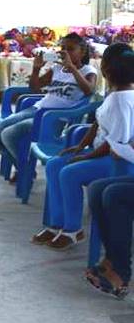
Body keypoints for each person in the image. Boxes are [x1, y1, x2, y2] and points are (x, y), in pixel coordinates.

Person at [32, 43, 134, 251]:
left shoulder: (122, 101)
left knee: (69, 173)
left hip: (118, 162)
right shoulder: (113, 95)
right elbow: (97, 122)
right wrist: (80, 146)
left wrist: (86, 158)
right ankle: (56, 224)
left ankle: (72, 229)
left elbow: (115, 143)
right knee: (54, 165)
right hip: (101, 154)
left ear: (105, 71)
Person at [0, 32, 96, 177]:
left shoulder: (88, 71)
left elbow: (89, 91)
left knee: (8, 135)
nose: (65, 53)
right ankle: (24, 168)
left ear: (82, 51)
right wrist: (36, 68)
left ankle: (25, 171)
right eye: (63, 49)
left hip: (55, 118)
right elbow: (35, 88)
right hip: (37, 109)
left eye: (71, 49)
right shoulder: (57, 69)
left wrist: (73, 68)